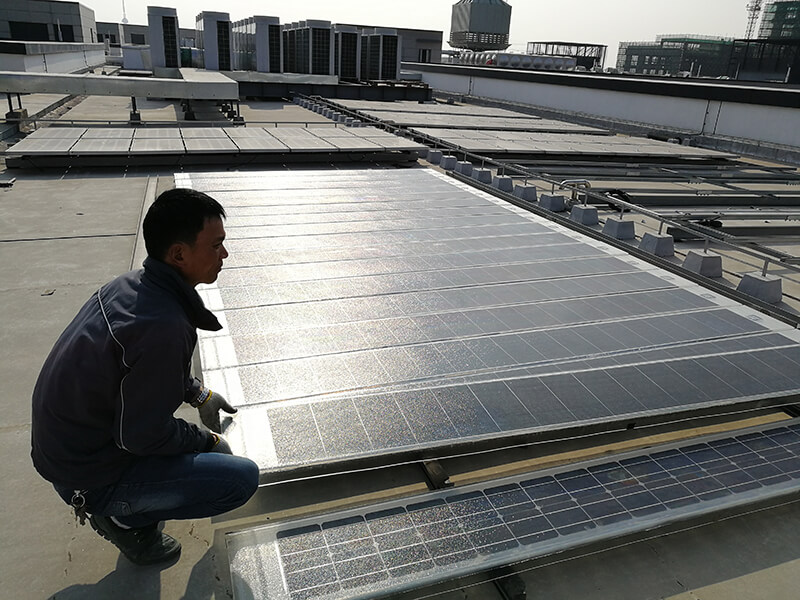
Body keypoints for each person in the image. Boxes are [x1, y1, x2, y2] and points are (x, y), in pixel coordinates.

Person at [31, 188, 259, 566]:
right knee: (238, 478)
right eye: (216, 245)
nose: (225, 255)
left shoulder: (132, 287)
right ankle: (123, 518)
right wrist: (204, 439)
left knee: (212, 456)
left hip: (68, 451)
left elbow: (139, 368)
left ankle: (128, 503)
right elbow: (139, 436)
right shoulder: (164, 326)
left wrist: (199, 395)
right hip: (86, 475)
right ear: (179, 255)